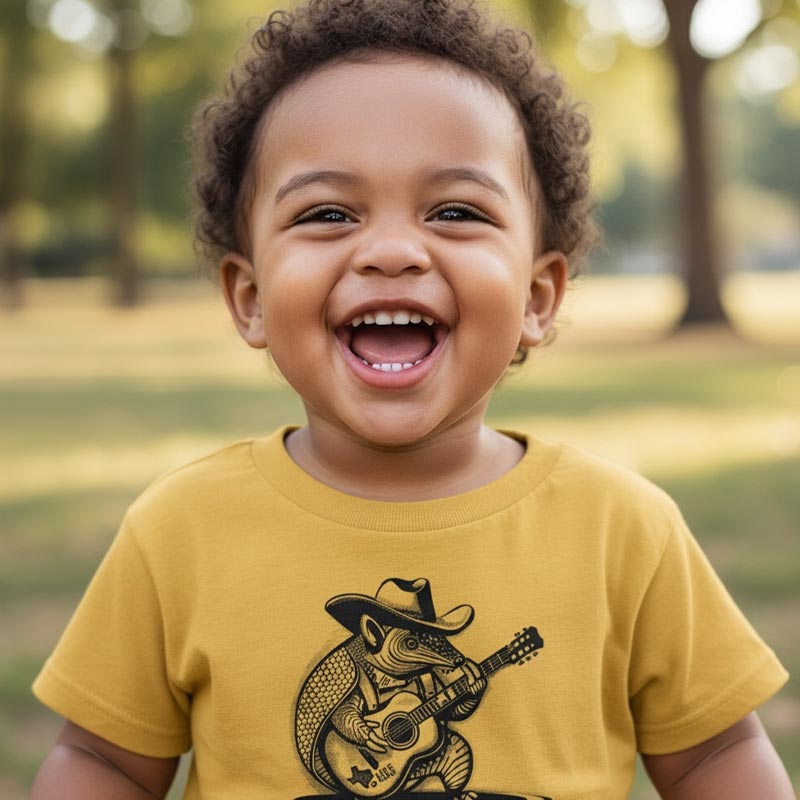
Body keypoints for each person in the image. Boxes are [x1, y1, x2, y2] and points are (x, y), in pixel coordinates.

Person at [31, 1, 793, 799]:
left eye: (455, 212)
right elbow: (103, 760)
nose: (393, 251)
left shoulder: (625, 532)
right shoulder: (177, 532)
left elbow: (714, 756)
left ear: (538, 296)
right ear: (249, 297)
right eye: (327, 214)